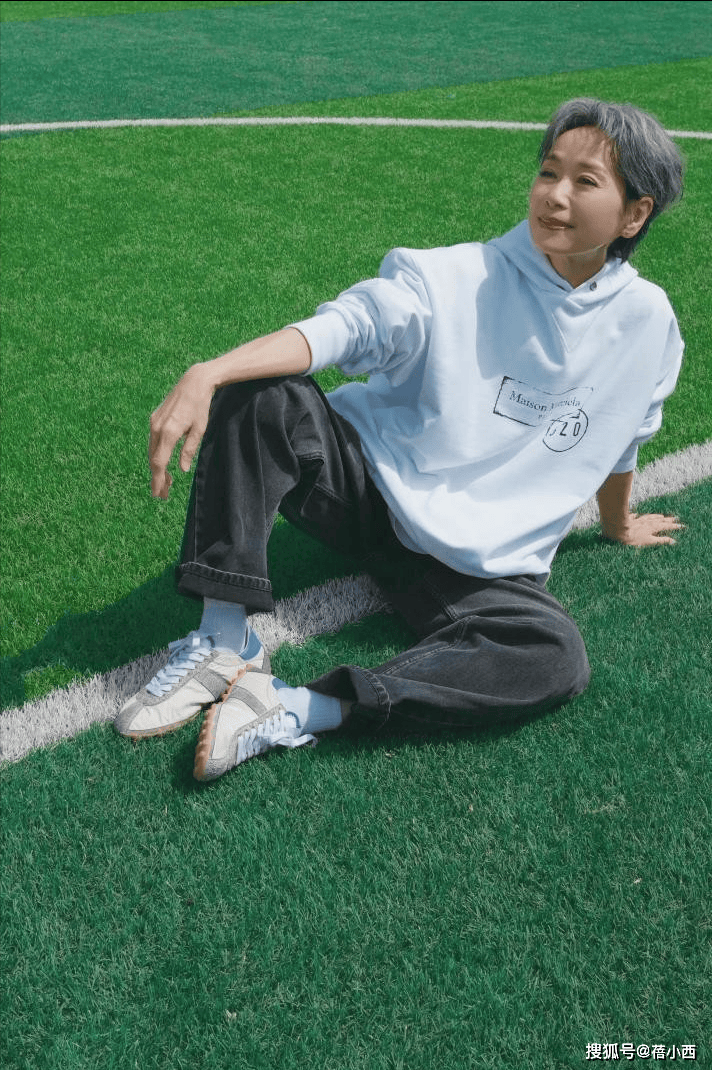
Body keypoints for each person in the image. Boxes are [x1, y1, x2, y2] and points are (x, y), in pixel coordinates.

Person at [114, 98, 685, 782]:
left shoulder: (649, 324)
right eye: (548, 171)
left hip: (479, 570)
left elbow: (623, 436)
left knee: (553, 656)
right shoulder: (452, 276)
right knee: (258, 390)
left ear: (634, 214)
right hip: (368, 493)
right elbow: (349, 326)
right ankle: (223, 638)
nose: (554, 195)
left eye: (584, 181)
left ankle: (297, 707)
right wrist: (212, 371)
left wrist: (618, 522)